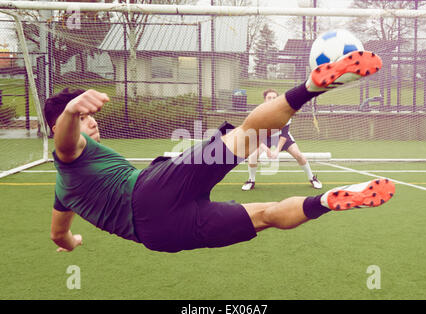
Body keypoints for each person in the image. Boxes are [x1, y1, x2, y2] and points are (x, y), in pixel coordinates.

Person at [46, 50, 394, 253]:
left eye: (89, 117)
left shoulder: (64, 192)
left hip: (157, 235)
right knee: (247, 135)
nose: (90, 123)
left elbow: (57, 234)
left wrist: (72, 242)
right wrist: (70, 112)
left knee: (266, 216)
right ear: (62, 126)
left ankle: (324, 203)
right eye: (84, 119)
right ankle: (310, 88)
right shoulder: (71, 151)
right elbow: (65, 142)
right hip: (149, 192)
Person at [242, 88, 322, 191]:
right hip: (264, 138)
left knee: (298, 155)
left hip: (282, 137)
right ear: (264, 100)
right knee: (253, 156)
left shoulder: (285, 113)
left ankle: (312, 178)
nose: (271, 99)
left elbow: (284, 135)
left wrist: (276, 151)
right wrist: (267, 150)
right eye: (269, 97)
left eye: (274, 98)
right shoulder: (258, 114)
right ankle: (251, 180)